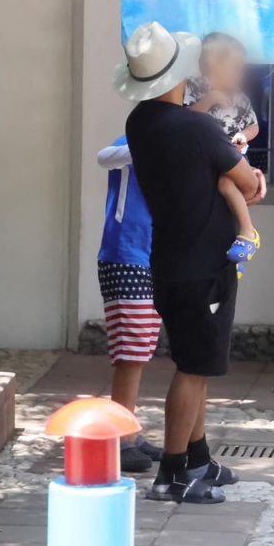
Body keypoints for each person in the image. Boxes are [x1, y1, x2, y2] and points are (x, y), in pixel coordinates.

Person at [117, 23, 268, 504]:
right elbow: (248, 183)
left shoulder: (140, 122)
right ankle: (173, 473)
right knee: (193, 369)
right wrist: (253, 181)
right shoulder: (197, 128)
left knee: (193, 361)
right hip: (203, 265)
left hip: (169, 258)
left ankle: (198, 458)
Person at [96, 137, 166, 474]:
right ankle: (119, 438)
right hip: (126, 254)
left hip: (153, 256)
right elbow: (104, 157)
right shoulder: (134, 141)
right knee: (131, 352)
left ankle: (130, 431)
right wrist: (151, 146)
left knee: (143, 348)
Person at [185, 33, 261, 154]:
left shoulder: (240, 98)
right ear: (214, 64)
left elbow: (253, 126)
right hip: (199, 156)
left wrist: (242, 136)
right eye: (235, 68)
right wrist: (209, 99)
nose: (241, 74)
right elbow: (184, 119)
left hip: (231, 156)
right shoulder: (192, 87)